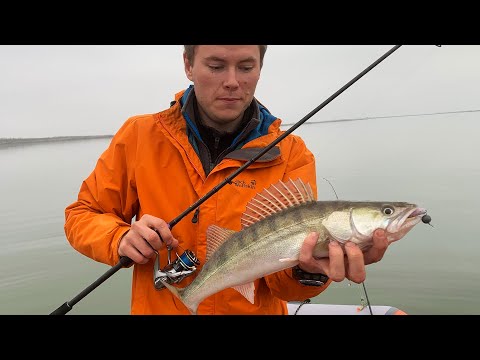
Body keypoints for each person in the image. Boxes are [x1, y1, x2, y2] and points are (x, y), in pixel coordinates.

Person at [64, 45, 390, 315]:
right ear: (188, 65)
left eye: (246, 67)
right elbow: (82, 215)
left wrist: (310, 271)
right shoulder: (140, 136)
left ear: (260, 69)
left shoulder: (291, 154)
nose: (232, 82)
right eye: (216, 66)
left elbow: (284, 285)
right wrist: (119, 238)